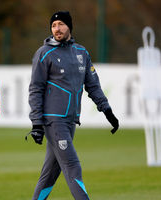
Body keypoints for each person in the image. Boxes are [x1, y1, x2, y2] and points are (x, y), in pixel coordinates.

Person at [27, 11, 119, 200]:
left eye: (61, 24)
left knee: (50, 175)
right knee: (72, 166)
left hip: (70, 121)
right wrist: (37, 123)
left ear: (69, 26)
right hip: (53, 121)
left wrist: (107, 111)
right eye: (53, 25)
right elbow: (35, 89)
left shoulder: (81, 52)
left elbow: (93, 86)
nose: (57, 29)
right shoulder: (44, 53)